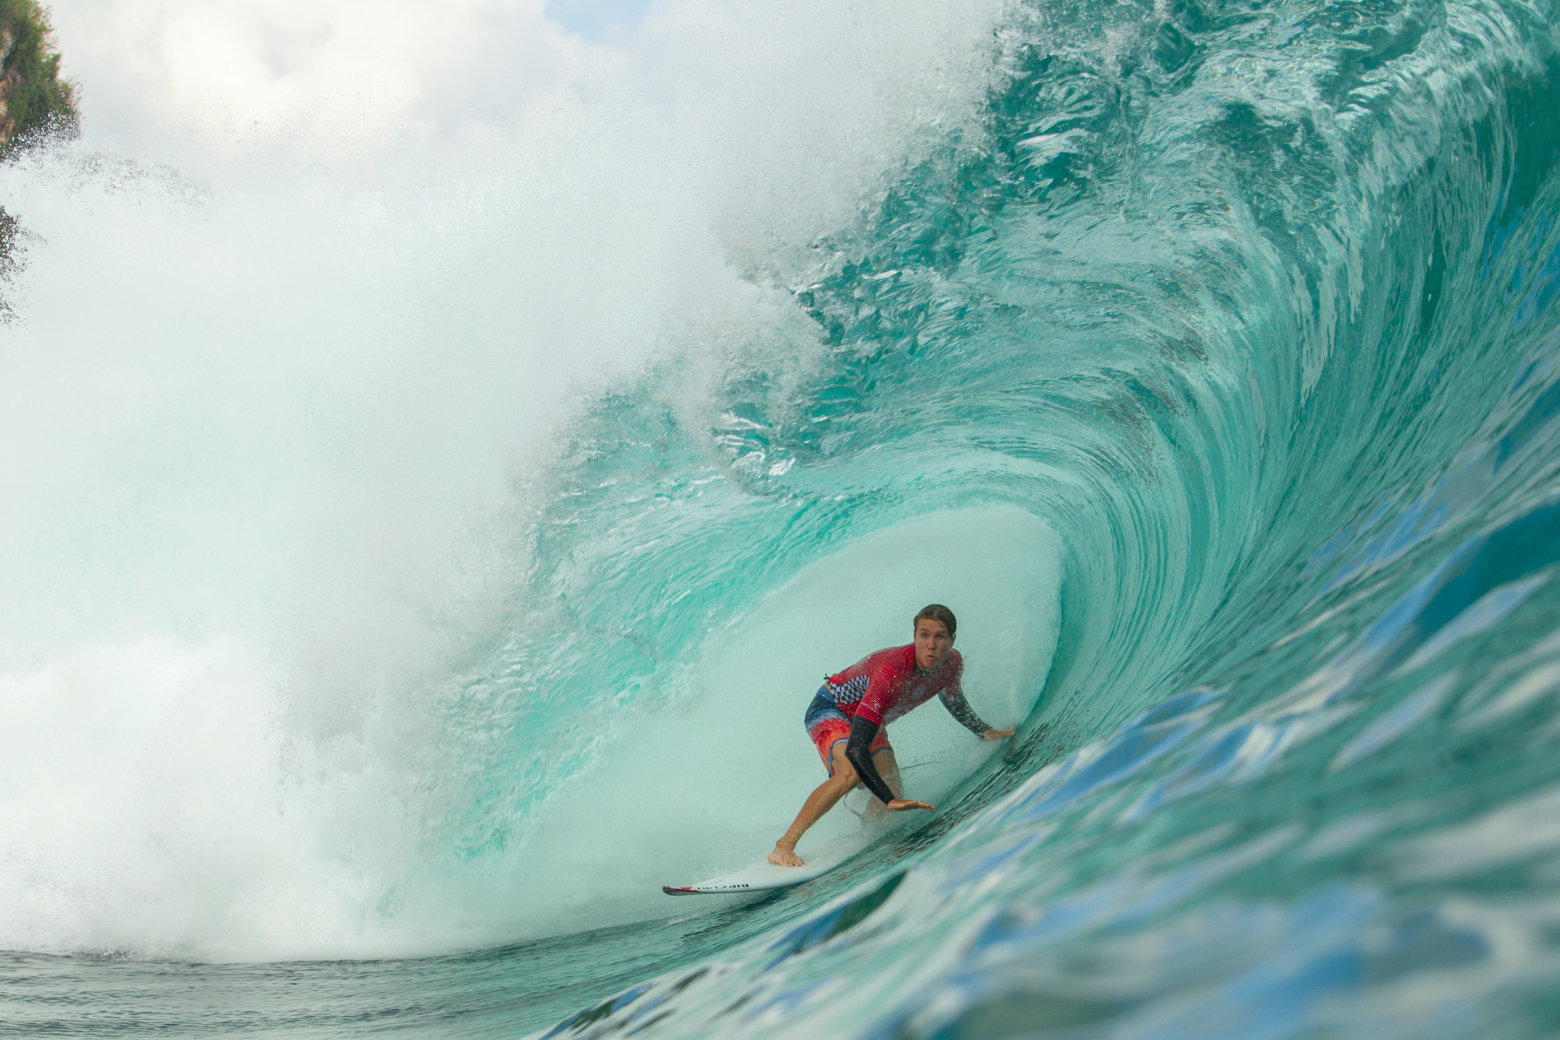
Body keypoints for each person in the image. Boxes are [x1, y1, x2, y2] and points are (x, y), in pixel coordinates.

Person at [768, 603, 1014, 867]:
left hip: (868, 720)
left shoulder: (952, 664)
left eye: (939, 636)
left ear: (952, 640)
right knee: (852, 774)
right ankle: (784, 845)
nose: (931, 644)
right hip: (832, 709)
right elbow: (856, 748)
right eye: (924, 635)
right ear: (915, 635)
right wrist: (889, 799)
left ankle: (867, 833)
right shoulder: (892, 671)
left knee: (893, 789)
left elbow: (953, 700)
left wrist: (983, 731)